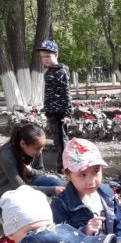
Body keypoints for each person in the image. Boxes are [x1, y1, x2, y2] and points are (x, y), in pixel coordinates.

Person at [51, 138, 121, 243]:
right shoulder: (61, 204)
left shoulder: (106, 194)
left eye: (96, 171)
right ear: (68, 174)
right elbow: (59, 239)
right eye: (82, 174)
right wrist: (84, 231)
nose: (91, 181)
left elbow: (120, 220)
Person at [0, 124, 64, 214]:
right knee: (34, 203)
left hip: (24, 183)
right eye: (37, 149)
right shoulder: (6, 155)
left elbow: (41, 172)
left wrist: (32, 171)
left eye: (42, 147)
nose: (40, 152)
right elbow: (21, 188)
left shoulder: (37, 149)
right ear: (23, 144)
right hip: (3, 190)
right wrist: (52, 190)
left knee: (55, 181)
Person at [37, 40, 72, 174]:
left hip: (60, 113)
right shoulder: (49, 71)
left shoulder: (61, 71)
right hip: (52, 112)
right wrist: (47, 110)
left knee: (62, 142)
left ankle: (65, 168)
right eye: (42, 57)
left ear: (56, 55)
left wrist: (67, 114)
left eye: (48, 56)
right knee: (57, 141)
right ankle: (61, 166)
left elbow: (66, 93)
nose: (45, 59)